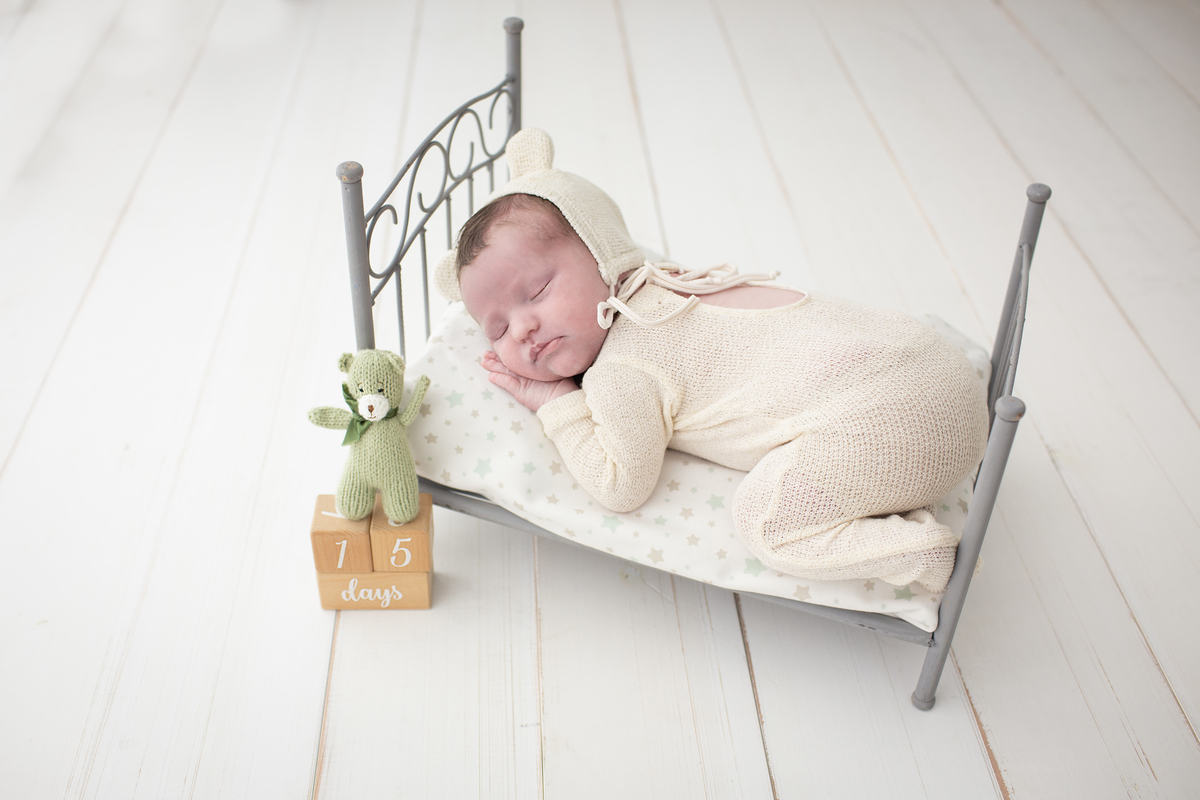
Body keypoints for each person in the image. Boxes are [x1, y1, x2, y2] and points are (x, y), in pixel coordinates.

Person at [434, 129, 988, 593]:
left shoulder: (621, 372)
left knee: (767, 523)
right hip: (931, 365)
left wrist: (558, 402)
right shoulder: (672, 281)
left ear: (601, 249)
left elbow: (620, 486)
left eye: (536, 291)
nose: (524, 330)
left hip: (905, 428)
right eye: (498, 329)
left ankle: (925, 553)